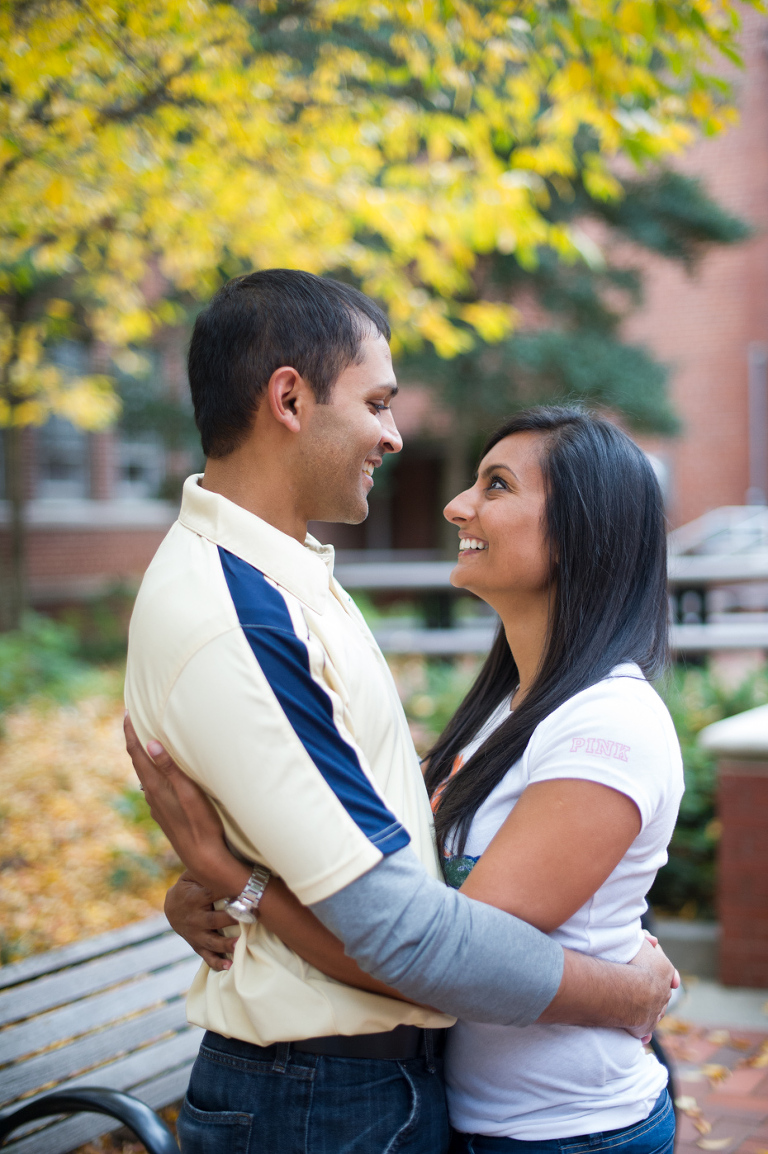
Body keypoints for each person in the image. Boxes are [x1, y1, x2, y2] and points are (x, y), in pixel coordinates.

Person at [124, 270, 676, 1154]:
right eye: (378, 402)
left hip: (435, 1098)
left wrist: (238, 877)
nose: (395, 434)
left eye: (496, 486)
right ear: (290, 398)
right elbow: (411, 932)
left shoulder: (291, 580)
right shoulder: (242, 611)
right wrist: (623, 988)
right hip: (322, 1091)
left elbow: (422, 895)